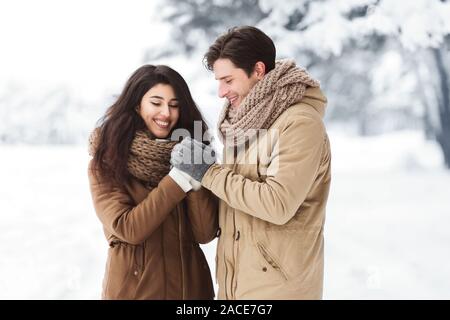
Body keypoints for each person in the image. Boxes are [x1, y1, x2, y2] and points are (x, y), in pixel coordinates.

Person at [170, 26, 331, 299]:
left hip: (279, 290)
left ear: (258, 70)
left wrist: (209, 172)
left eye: (228, 80)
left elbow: (278, 204)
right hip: (237, 287)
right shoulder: (242, 123)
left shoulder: (299, 123)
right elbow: (234, 202)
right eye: (219, 82)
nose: (221, 92)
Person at [87, 64, 218, 300]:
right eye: (156, 103)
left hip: (192, 293)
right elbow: (128, 228)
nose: (166, 113)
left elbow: (205, 233)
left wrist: (197, 181)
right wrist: (179, 178)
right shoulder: (107, 160)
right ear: (137, 105)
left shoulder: (191, 153)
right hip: (136, 293)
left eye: (174, 105)